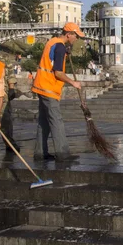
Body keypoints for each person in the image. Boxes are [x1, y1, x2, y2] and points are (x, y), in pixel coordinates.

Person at [32, 22, 83, 161]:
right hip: (49, 88)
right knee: (56, 120)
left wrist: (65, 52)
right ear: (69, 34)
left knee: (44, 121)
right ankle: (63, 154)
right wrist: (73, 82)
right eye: (76, 36)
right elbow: (58, 73)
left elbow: (51, 58)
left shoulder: (53, 42)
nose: (76, 39)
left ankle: (40, 153)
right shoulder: (59, 47)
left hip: (41, 85)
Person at [0, 76, 19, 153]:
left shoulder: (3, 63)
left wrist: (11, 88)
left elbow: (10, 73)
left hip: (2, 94)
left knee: (5, 121)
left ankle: (9, 144)